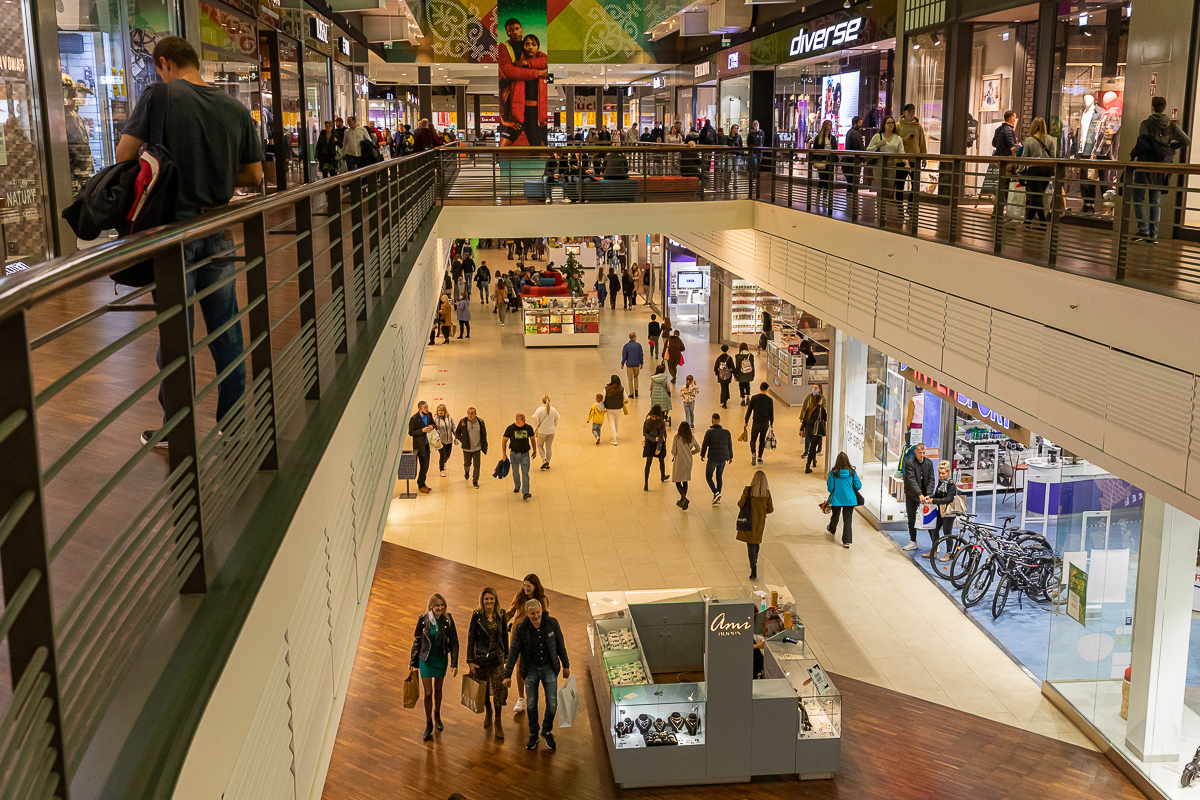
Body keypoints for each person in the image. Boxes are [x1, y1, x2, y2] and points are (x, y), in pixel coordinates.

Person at [118, 37, 263, 449]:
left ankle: (175, 430)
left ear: (163, 62)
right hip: (218, 231)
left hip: (171, 235)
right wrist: (217, 176)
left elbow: (125, 155)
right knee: (227, 334)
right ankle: (233, 427)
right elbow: (253, 176)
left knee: (175, 338)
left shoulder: (159, 96)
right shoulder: (236, 109)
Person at [503, 598, 569, 752]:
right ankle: (533, 733)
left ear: (542, 611)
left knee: (552, 704)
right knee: (531, 704)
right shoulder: (520, 629)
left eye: (538, 612)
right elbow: (513, 652)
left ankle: (546, 731)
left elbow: (560, 645)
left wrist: (566, 665)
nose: (536, 616)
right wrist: (507, 674)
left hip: (549, 668)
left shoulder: (552, 623)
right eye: (532, 613)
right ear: (527, 613)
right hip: (530, 669)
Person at [1131, 95, 1191, 243]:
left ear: (1152, 107)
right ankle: (1153, 235)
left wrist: (1133, 154)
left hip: (1145, 166)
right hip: (1161, 167)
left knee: (1137, 197)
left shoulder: (1146, 124)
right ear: (1164, 108)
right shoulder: (1172, 126)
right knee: (1154, 200)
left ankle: (1143, 231)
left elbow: (1142, 142)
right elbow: (1187, 140)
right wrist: (1171, 147)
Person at [409, 592, 459, 742]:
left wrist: (454, 663)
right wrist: (413, 662)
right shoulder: (423, 621)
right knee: (428, 692)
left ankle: (437, 713)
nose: (440, 608)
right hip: (425, 660)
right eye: (437, 605)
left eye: (442, 605)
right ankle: (428, 722)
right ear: (431, 606)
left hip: (440, 659)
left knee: (438, 689)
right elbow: (417, 641)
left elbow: (454, 643)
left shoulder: (448, 620)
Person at [467, 587, 508, 740]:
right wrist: (470, 660)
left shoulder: (501, 614)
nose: (489, 601)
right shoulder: (477, 615)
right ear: (482, 601)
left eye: (492, 598)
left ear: (495, 600)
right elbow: (471, 637)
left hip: (497, 658)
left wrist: (507, 658)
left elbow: (504, 637)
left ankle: (498, 720)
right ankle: (488, 710)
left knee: (499, 688)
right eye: (486, 599)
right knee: (483, 690)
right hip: (481, 659)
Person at [506, 575, 549, 716]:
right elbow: (510, 612)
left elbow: (545, 618)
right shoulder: (519, 596)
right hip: (518, 636)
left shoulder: (542, 600)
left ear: (535, 586)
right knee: (519, 666)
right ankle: (520, 697)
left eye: (528, 586)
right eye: (524, 585)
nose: (525, 588)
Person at [736, 471, 773, 581]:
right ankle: (755, 561)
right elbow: (770, 509)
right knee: (756, 542)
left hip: (748, 520)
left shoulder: (748, 490)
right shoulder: (766, 493)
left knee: (750, 545)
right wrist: (761, 511)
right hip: (760, 522)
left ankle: (753, 569)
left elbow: (740, 503)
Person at [1020, 116, 1056, 227]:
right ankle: (1028, 221)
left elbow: (1024, 157)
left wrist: (1019, 171)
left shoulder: (1029, 140)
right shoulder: (1050, 139)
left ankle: (1043, 222)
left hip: (1034, 170)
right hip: (1047, 170)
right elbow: (1054, 156)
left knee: (1037, 197)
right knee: (1038, 196)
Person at [902, 443, 936, 552]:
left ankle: (935, 544)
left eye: (924, 453)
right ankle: (913, 541)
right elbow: (911, 480)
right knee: (911, 519)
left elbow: (931, 479)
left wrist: (928, 495)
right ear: (915, 451)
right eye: (920, 453)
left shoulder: (929, 463)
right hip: (912, 496)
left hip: (925, 497)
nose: (922, 455)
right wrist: (919, 494)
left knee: (929, 520)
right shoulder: (909, 463)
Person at [866, 116, 905, 209]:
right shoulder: (877, 136)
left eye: (892, 122)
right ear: (884, 125)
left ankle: (882, 209)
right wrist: (878, 145)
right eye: (889, 123)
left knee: (889, 190)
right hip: (879, 164)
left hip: (891, 164)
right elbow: (868, 150)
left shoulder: (897, 138)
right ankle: (881, 213)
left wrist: (906, 162)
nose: (891, 124)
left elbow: (902, 152)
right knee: (880, 189)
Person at [825, 452, 862, 548]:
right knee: (848, 519)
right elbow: (858, 486)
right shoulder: (852, 473)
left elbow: (830, 488)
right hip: (850, 500)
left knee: (835, 515)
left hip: (837, 499)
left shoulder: (833, 474)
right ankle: (846, 541)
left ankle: (832, 529)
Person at [895, 104, 927, 209]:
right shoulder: (898, 125)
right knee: (900, 185)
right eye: (910, 112)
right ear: (904, 112)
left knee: (915, 185)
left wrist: (923, 157)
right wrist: (905, 139)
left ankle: (911, 207)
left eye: (913, 111)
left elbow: (922, 142)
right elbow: (895, 142)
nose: (912, 114)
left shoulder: (918, 126)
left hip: (915, 159)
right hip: (901, 159)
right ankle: (900, 208)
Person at [929, 459, 959, 559]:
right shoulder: (941, 482)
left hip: (949, 512)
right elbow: (938, 494)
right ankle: (934, 551)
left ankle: (949, 553)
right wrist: (930, 497)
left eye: (943, 473)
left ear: (948, 473)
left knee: (947, 532)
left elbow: (948, 499)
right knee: (934, 529)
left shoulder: (950, 484)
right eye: (940, 473)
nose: (941, 475)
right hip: (941, 510)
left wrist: (933, 501)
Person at [700, 413, 733, 504]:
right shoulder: (727, 432)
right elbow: (729, 445)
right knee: (719, 477)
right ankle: (717, 496)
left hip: (713, 458)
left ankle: (716, 492)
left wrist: (702, 455)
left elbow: (705, 444)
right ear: (720, 421)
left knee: (708, 476)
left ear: (712, 420)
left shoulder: (709, 432)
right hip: (723, 458)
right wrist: (730, 456)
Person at [502, 412, 537, 499]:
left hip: (525, 454)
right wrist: (504, 454)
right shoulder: (510, 428)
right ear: (517, 420)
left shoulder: (528, 428)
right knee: (515, 472)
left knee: (525, 473)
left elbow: (533, 439)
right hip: (514, 454)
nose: (524, 420)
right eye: (522, 418)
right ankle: (517, 485)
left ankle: (525, 492)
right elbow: (504, 441)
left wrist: (534, 451)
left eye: (524, 418)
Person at [453, 407, 488, 488]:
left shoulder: (480, 422)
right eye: (468, 413)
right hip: (467, 449)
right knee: (467, 464)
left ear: (475, 414)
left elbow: (484, 435)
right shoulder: (463, 422)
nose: (470, 415)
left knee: (477, 465)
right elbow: (457, 433)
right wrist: (462, 440)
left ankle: (475, 481)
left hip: (477, 448)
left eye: (472, 413)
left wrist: (485, 446)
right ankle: (466, 471)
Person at [671, 421, 700, 510]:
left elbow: (673, 451)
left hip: (679, 460)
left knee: (677, 480)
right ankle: (682, 500)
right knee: (685, 479)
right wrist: (690, 453)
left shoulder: (676, 438)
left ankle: (683, 498)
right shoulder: (691, 438)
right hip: (688, 460)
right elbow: (698, 449)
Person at [744, 381, 774, 467]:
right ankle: (759, 457)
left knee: (753, 439)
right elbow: (771, 413)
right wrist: (771, 423)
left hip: (756, 422)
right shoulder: (769, 400)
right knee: (762, 440)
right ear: (767, 389)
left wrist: (746, 421)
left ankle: (753, 452)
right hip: (765, 423)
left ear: (760, 388)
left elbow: (749, 410)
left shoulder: (754, 398)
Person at [408, 400, 435, 493]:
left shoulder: (429, 415)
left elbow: (434, 424)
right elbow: (411, 432)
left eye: (427, 407)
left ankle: (423, 483)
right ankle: (420, 484)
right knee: (424, 466)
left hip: (428, 445)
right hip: (420, 446)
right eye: (425, 408)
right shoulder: (414, 419)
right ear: (420, 409)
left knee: (426, 465)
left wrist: (431, 426)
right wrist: (421, 431)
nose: (427, 409)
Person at [642, 404, 669, 490]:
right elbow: (661, 437)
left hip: (649, 444)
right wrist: (658, 447)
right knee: (661, 460)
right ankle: (662, 476)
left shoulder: (647, 421)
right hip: (659, 444)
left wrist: (652, 439)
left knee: (648, 463)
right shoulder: (661, 422)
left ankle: (646, 483)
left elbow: (645, 434)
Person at [811, 120, 837, 208]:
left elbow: (835, 151)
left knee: (827, 180)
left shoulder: (832, 138)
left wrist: (836, 163)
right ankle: (818, 196)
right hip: (821, 162)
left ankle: (824, 198)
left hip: (830, 162)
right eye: (829, 125)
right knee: (822, 179)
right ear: (825, 126)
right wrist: (814, 161)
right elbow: (814, 150)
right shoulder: (819, 138)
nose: (831, 127)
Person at [531, 394, 560, 471]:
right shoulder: (553, 410)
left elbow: (535, 419)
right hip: (551, 431)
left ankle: (544, 460)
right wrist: (554, 426)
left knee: (540, 446)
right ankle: (548, 462)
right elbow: (558, 417)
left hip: (542, 431)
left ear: (542, 400)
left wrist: (537, 427)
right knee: (548, 446)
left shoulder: (539, 410)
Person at [800, 389, 826, 473]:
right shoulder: (821, 409)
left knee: (812, 445)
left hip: (808, 430)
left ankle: (814, 460)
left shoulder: (809, 408)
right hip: (816, 431)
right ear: (820, 400)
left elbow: (804, 420)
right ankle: (808, 466)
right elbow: (825, 419)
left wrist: (801, 429)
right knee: (812, 448)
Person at [842, 116, 866, 198]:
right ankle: (852, 196)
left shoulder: (849, 132)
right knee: (854, 180)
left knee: (850, 180)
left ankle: (849, 196)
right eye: (860, 122)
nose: (861, 124)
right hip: (854, 161)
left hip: (849, 160)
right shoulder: (856, 134)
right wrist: (863, 159)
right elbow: (858, 148)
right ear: (856, 123)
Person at [799, 384, 824, 457]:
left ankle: (818, 448)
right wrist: (801, 417)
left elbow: (824, 410)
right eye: (813, 387)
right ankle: (807, 451)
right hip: (809, 422)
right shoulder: (809, 397)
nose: (814, 389)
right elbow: (804, 406)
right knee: (807, 437)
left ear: (819, 389)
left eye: (816, 388)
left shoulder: (822, 399)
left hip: (817, 423)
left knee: (817, 436)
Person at [433, 403, 455, 478]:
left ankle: (444, 462)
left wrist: (456, 435)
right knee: (443, 454)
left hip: (449, 440)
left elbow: (453, 427)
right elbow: (433, 429)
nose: (440, 412)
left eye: (442, 410)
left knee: (448, 455)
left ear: (445, 411)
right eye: (439, 410)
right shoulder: (435, 419)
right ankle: (441, 469)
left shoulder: (449, 418)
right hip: (440, 441)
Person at [603, 375, 625, 445]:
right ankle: (614, 435)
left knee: (611, 423)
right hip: (618, 407)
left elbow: (603, 398)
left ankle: (614, 439)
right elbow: (626, 398)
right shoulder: (621, 389)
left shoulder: (607, 389)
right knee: (616, 422)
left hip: (609, 408)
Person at [621, 332, 644, 398]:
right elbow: (641, 355)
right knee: (636, 377)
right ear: (635, 337)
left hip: (629, 364)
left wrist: (622, 363)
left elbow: (624, 356)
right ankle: (636, 390)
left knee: (630, 379)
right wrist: (641, 363)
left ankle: (631, 393)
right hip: (636, 364)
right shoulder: (638, 345)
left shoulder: (626, 346)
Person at [714, 344, 735, 409]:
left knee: (723, 388)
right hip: (728, 376)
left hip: (721, 376)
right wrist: (735, 375)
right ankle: (727, 397)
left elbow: (715, 367)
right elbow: (732, 367)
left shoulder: (719, 358)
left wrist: (716, 373)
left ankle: (723, 402)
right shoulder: (729, 358)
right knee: (727, 385)